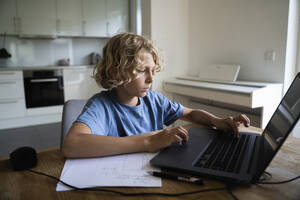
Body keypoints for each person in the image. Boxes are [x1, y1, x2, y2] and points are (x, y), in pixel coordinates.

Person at [62, 32, 250, 158]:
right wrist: (148, 141)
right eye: (142, 70)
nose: (151, 79)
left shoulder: (153, 100)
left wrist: (217, 121)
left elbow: (191, 114)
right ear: (114, 72)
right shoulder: (101, 106)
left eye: (153, 70)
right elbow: (72, 144)